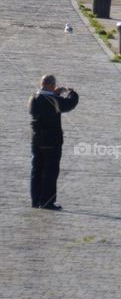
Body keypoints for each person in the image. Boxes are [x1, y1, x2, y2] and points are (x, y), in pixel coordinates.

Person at [29, 74, 79, 210]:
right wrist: (72, 93)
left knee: (36, 170)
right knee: (50, 171)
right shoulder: (54, 99)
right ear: (51, 85)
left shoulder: (33, 98)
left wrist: (54, 93)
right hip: (52, 140)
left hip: (36, 139)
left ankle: (35, 200)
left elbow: (45, 102)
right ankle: (47, 202)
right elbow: (69, 104)